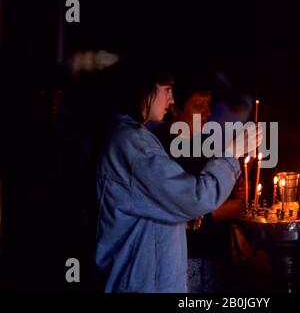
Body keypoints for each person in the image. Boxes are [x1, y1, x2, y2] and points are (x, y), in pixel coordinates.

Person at [95, 60, 261, 293]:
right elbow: (195, 197)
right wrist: (231, 154)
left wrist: (180, 219)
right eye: (167, 90)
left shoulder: (135, 138)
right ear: (145, 89)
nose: (171, 100)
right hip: (140, 283)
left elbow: (145, 205)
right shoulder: (133, 146)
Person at [153, 72, 246, 292]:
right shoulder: (161, 148)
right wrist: (220, 210)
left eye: (208, 105)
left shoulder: (207, 142)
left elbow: (217, 184)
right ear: (175, 108)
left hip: (216, 253)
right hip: (185, 257)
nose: (207, 113)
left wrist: (236, 189)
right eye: (198, 107)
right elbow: (180, 203)